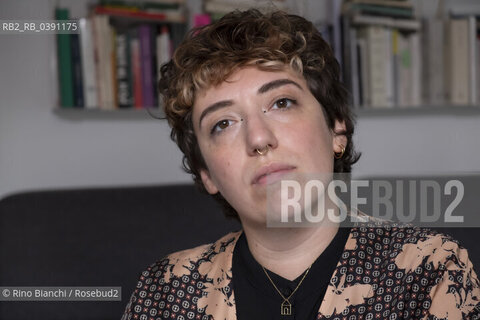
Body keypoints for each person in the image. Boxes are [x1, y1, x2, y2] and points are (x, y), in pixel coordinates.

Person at [122, 9, 480, 320]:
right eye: (223, 123)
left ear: (336, 128)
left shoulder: (430, 269)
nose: (259, 139)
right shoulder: (165, 292)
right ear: (207, 174)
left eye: (281, 103)